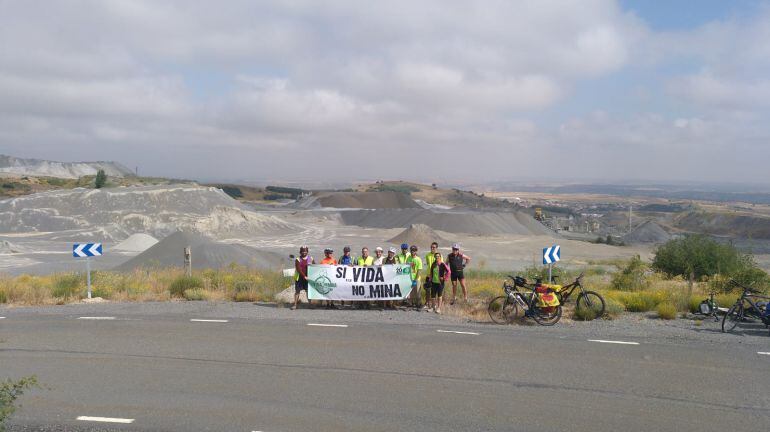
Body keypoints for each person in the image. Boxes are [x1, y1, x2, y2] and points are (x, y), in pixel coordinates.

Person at [292, 246, 314, 310]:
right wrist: (304, 276)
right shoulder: (298, 259)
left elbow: (315, 267)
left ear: (307, 251)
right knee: (297, 291)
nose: (304, 252)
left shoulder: (311, 258)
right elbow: (298, 269)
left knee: (308, 292)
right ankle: (295, 305)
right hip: (299, 278)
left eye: (305, 251)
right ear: (300, 252)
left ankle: (310, 305)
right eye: (302, 251)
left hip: (308, 278)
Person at [422, 242, 439, 311]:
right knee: (427, 290)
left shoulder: (439, 255)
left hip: (436, 276)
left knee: (435, 291)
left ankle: (434, 304)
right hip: (429, 275)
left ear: (436, 248)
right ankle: (427, 303)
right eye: (431, 247)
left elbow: (441, 265)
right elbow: (428, 264)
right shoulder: (427, 255)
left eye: (434, 247)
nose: (432, 248)